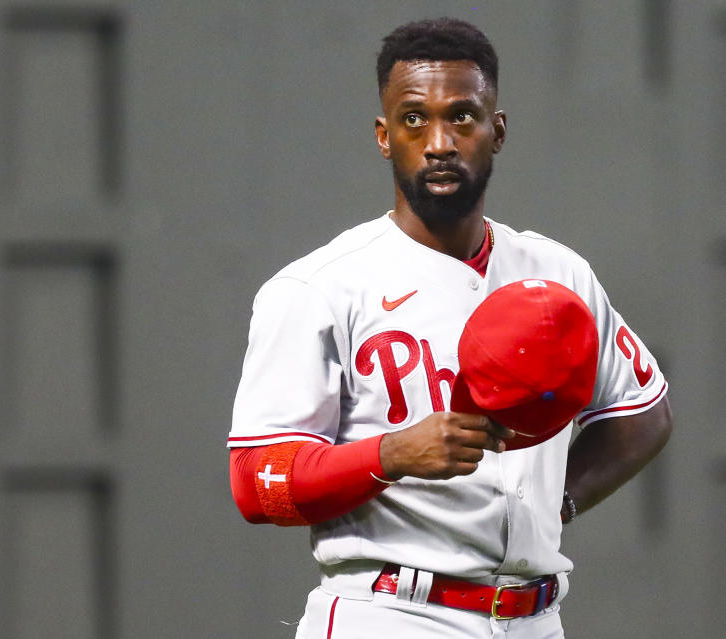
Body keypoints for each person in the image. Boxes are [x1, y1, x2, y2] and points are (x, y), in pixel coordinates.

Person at [227, 17, 673, 639]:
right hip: (388, 612)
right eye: (414, 119)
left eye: (462, 116)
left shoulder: (557, 274)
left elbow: (643, 415)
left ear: (498, 130)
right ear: (384, 138)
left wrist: (557, 504)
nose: (439, 141)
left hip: (536, 619)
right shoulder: (319, 287)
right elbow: (257, 485)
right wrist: (391, 455)